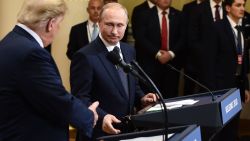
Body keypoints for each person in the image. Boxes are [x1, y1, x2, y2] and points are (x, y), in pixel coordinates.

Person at [0, 0, 99, 141]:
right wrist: (89, 116)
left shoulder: (9, 41)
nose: (58, 29)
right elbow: (57, 99)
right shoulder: (32, 53)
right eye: (59, 24)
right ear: (51, 24)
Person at [70, 3, 157, 140]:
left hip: (127, 131)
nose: (115, 31)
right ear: (99, 23)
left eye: (120, 25)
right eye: (109, 24)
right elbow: (80, 98)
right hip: (99, 132)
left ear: (126, 25)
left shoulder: (129, 50)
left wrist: (141, 98)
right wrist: (103, 117)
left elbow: (131, 86)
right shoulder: (84, 56)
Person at [209, 0, 250, 140]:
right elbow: (208, 62)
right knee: (221, 129)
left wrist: (246, 87)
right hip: (220, 87)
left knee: (233, 126)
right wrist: (213, 90)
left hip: (238, 86)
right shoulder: (217, 27)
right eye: (238, 5)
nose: (242, 8)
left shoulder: (242, 28)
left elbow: (243, 59)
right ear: (227, 8)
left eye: (243, 5)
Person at [133, 0, 184, 98]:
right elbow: (140, 37)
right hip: (150, 63)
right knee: (152, 97)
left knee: (171, 96)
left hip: (172, 64)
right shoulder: (145, 14)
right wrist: (157, 53)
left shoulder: (179, 15)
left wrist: (171, 54)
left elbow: (183, 37)